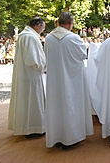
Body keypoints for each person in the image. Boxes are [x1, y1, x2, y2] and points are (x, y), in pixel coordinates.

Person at [44, 12, 93, 149]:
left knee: (56, 107)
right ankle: (72, 137)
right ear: (70, 23)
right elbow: (84, 54)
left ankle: (57, 137)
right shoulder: (73, 38)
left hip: (54, 79)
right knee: (71, 105)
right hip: (72, 79)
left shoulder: (49, 38)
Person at [8, 17, 46, 138]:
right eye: (43, 27)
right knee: (33, 100)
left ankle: (28, 127)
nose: (43, 30)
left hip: (28, 74)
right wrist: (44, 66)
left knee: (28, 101)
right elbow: (33, 59)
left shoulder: (25, 35)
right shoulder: (30, 37)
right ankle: (34, 128)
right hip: (32, 75)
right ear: (38, 25)